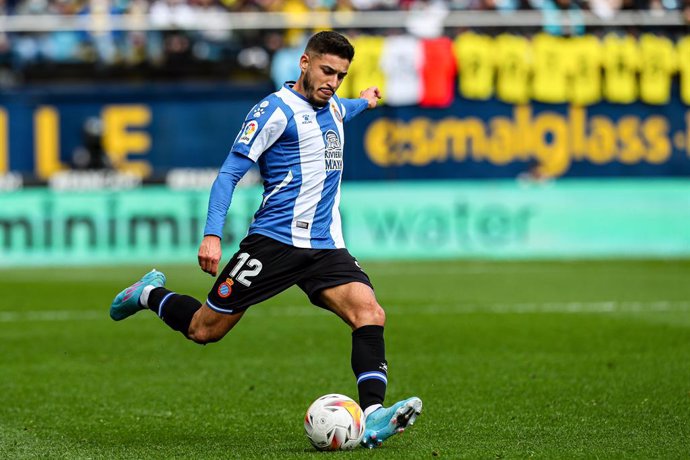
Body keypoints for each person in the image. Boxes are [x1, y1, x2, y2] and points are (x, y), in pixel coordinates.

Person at [109, 31, 422, 449]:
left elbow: (348, 107)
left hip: (325, 246)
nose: (332, 82)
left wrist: (365, 99)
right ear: (304, 63)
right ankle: (149, 294)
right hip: (273, 243)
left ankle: (372, 414)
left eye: (341, 76)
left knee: (370, 313)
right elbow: (229, 174)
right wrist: (212, 235)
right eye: (327, 71)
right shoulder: (274, 111)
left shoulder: (336, 109)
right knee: (206, 330)